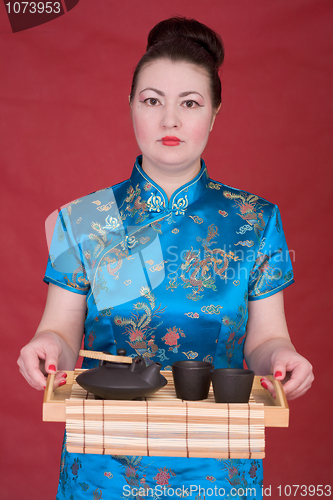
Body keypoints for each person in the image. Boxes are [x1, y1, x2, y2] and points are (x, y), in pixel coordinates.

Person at [18, 17, 313, 500]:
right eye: (152, 101)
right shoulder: (90, 219)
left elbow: (267, 339)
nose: (169, 121)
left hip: (219, 465)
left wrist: (283, 358)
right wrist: (46, 346)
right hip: (103, 463)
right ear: (131, 106)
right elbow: (62, 331)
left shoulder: (255, 220)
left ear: (215, 114)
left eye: (190, 104)